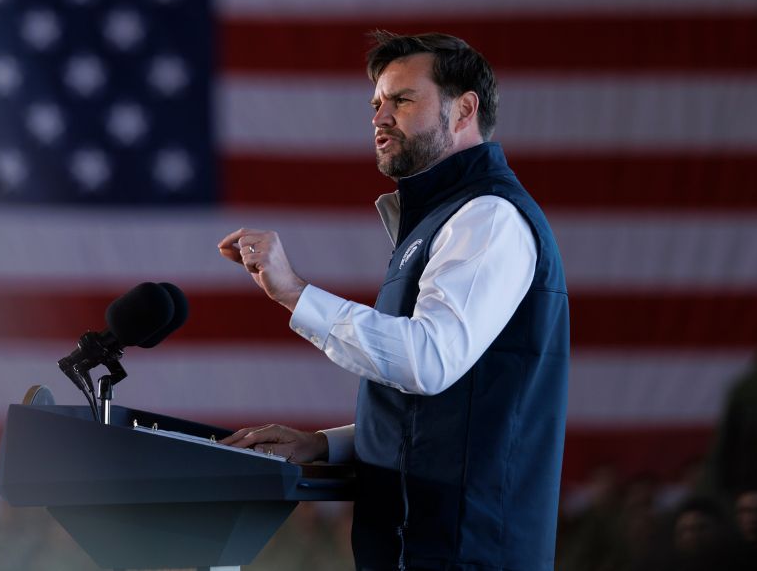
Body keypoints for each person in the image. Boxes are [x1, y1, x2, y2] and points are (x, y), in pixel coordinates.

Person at [218, 31, 569, 570]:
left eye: (402, 100)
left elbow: (426, 362)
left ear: (463, 110)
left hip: (465, 553)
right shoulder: (444, 217)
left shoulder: (488, 216)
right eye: (376, 104)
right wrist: (326, 444)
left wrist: (294, 292)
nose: (380, 117)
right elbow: (447, 413)